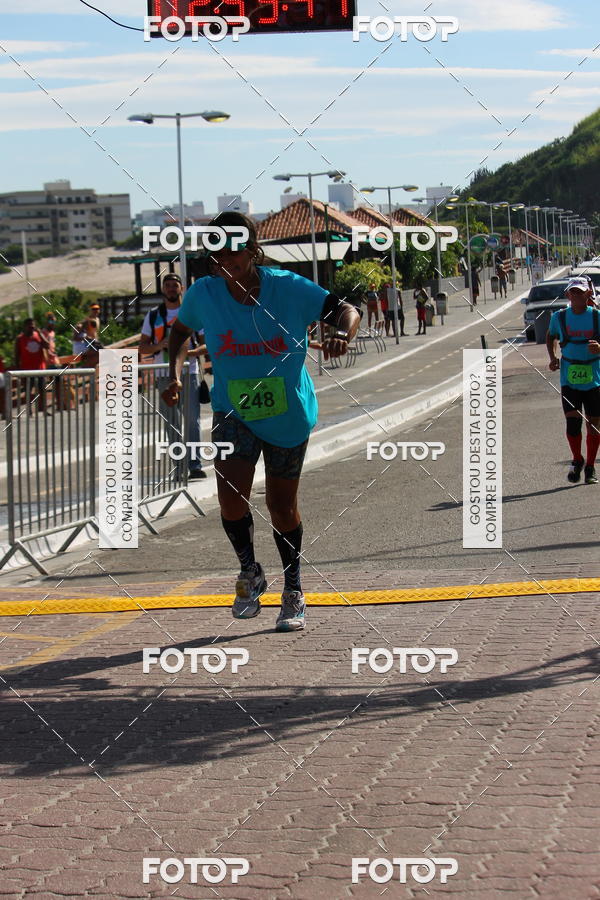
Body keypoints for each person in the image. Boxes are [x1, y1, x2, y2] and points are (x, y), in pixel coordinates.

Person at [163, 211, 359, 632]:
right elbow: (179, 334)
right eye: (217, 251)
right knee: (230, 498)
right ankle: (250, 571)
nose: (225, 259)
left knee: (280, 506)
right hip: (234, 412)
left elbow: (345, 310)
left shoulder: (287, 287)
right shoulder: (203, 295)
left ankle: (293, 588)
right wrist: (174, 373)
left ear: (252, 250)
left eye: (234, 250)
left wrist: (343, 334)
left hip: (287, 413)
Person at [140, 273, 207, 480]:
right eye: (167, 285)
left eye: (174, 285)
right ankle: (178, 467)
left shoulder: (192, 313)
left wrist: (192, 352)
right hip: (163, 374)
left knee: (192, 420)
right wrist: (159, 346)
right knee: (171, 422)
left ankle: (195, 464)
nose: (171, 289)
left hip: (189, 371)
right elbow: (143, 348)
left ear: (181, 289)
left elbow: (207, 343)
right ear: (163, 289)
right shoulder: (153, 316)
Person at [547, 277, 600, 485]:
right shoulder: (559, 318)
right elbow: (550, 336)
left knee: (594, 425)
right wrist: (552, 358)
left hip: (595, 380)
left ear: (588, 294)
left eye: (580, 292)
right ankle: (577, 459)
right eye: (573, 292)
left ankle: (590, 467)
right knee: (572, 423)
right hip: (569, 379)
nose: (576, 296)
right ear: (568, 295)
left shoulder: (596, 317)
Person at [14, 318, 50, 414]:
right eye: (30, 326)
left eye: (33, 326)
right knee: (28, 391)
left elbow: (47, 346)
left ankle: (43, 409)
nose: (32, 327)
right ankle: (29, 410)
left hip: (40, 369)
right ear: (25, 326)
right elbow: (17, 356)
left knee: (42, 390)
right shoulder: (20, 339)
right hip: (27, 370)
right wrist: (18, 372)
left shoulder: (38, 336)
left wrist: (40, 334)